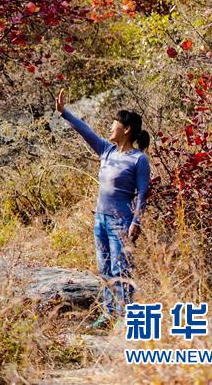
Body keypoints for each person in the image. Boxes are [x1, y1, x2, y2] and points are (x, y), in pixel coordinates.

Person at [55, 89, 151, 329]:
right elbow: (85, 131)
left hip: (121, 222)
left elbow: (142, 193)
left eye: (114, 124)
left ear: (126, 129)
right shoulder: (106, 151)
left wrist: (136, 222)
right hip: (100, 220)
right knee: (105, 268)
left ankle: (124, 317)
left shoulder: (138, 159)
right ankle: (108, 314)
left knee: (121, 269)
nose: (110, 128)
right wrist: (64, 112)